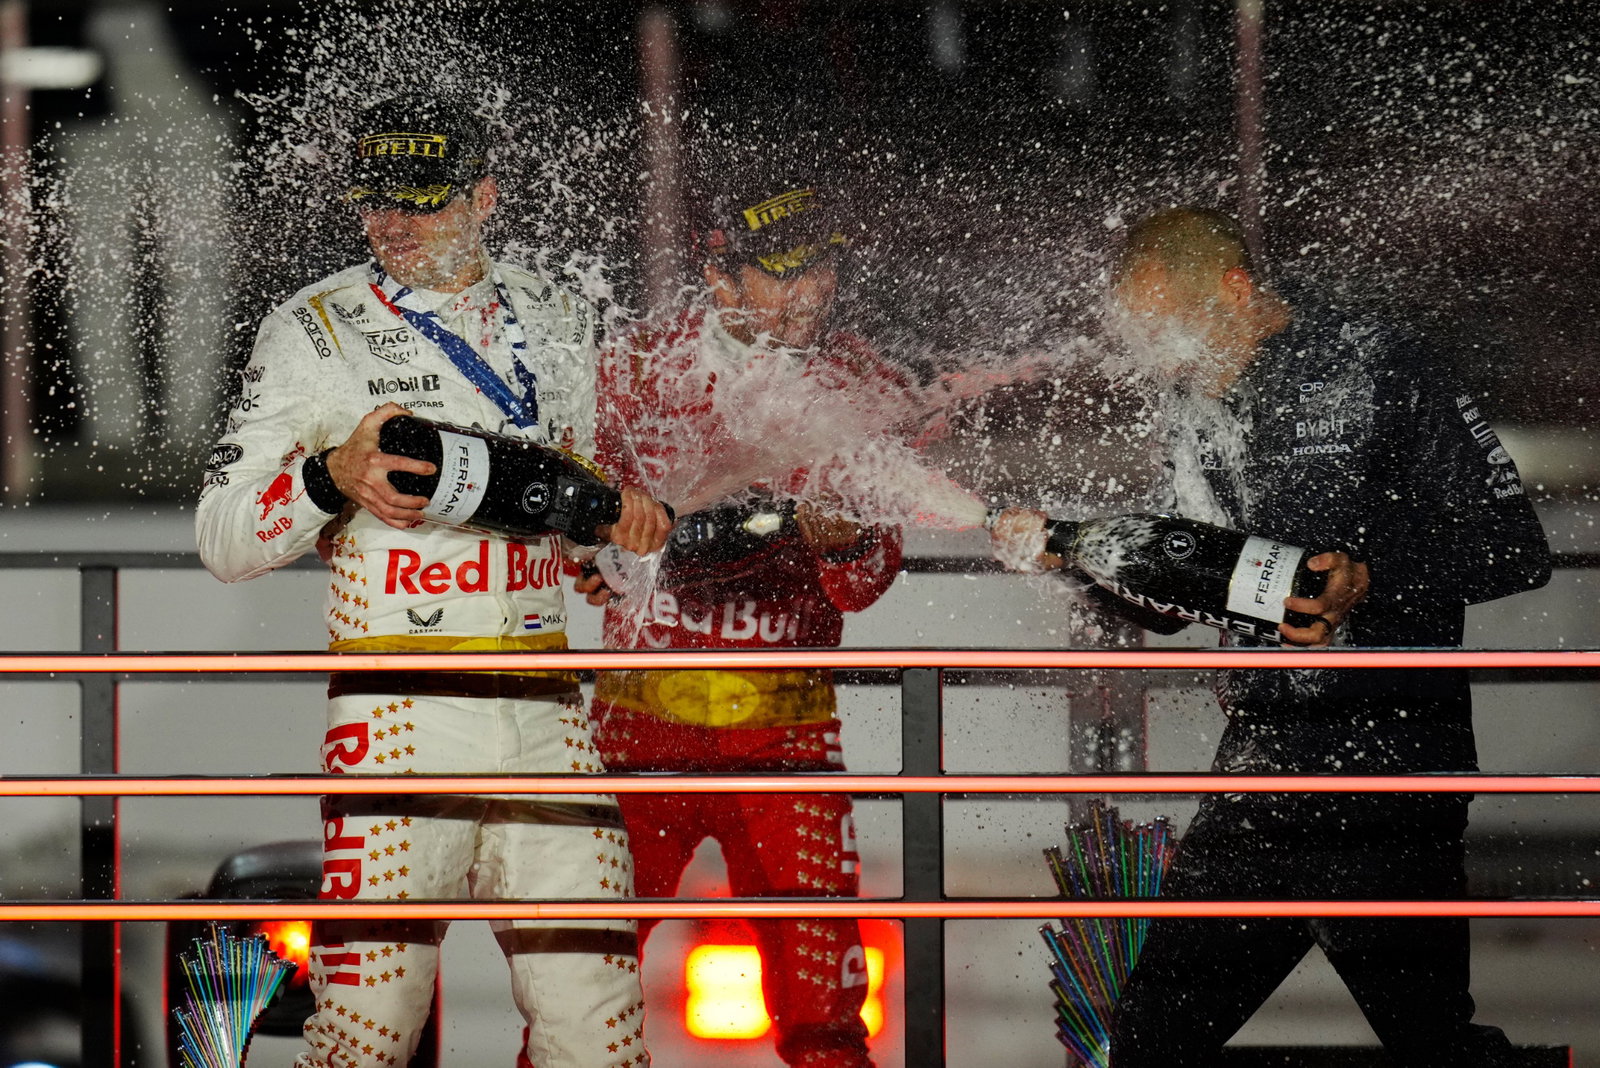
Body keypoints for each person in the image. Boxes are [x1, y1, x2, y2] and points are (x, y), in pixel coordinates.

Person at [993, 206, 1550, 1066]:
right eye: (1141, 334)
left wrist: (1371, 575)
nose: (1156, 351)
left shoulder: (1377, 363)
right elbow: (1187, 589)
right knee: (1145, 1043)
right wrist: (1071, 553)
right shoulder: (1192, 402)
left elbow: (1512, 548)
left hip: (1392, 769)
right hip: (1261, 772)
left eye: (1164, 324)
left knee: (1432, 1045)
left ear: (1235, 289)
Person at [196, 92, 672, 1068]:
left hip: (549, 713)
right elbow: (221, 538)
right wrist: (331, 478)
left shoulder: (557, 313)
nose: (391, 224)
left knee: (602, 1036)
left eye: (420, 200)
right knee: (366, 1038)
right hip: (397, 719)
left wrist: (616, 530)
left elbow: (582, 522)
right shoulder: (311, 328)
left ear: (483, 198)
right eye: (375, 200)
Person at [575, 175, 904, 1068]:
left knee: (827, 1022)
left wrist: (840, 549)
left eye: (822, 271)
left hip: (787, 738)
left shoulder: (864, 380)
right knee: (577, 1011)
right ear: (721, 281)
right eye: (781, 276)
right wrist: (596, 549)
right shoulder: (638, 366)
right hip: (635, 736)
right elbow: (576, 533)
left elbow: (866, 585)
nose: (809, 296)